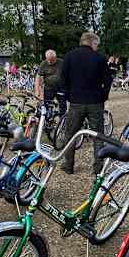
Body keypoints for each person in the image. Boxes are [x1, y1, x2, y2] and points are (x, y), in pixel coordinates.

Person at [60, 31, 109, 175]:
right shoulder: (99, 58)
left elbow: (63, 79)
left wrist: (69, 96)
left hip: (76, 101)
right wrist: (102, 97)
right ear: (92, 42)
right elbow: (108, 81)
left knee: (70, 134)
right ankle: (98, 167)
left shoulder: (69, 56)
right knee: (98, 135)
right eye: (96, 44)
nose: (97, 47)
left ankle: (68, 165)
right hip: (95, 101)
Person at [35, 49, 66, 116]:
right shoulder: (43, 64)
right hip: (49, 88)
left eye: (51, 60)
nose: (49, 61)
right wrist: (37, 90)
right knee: (47, 106)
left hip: (61, 88)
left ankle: (62, 122)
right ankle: (47, 121)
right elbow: (38, 77)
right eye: (48, 59)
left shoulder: (61, 63)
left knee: (63, 106)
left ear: (55, 58)